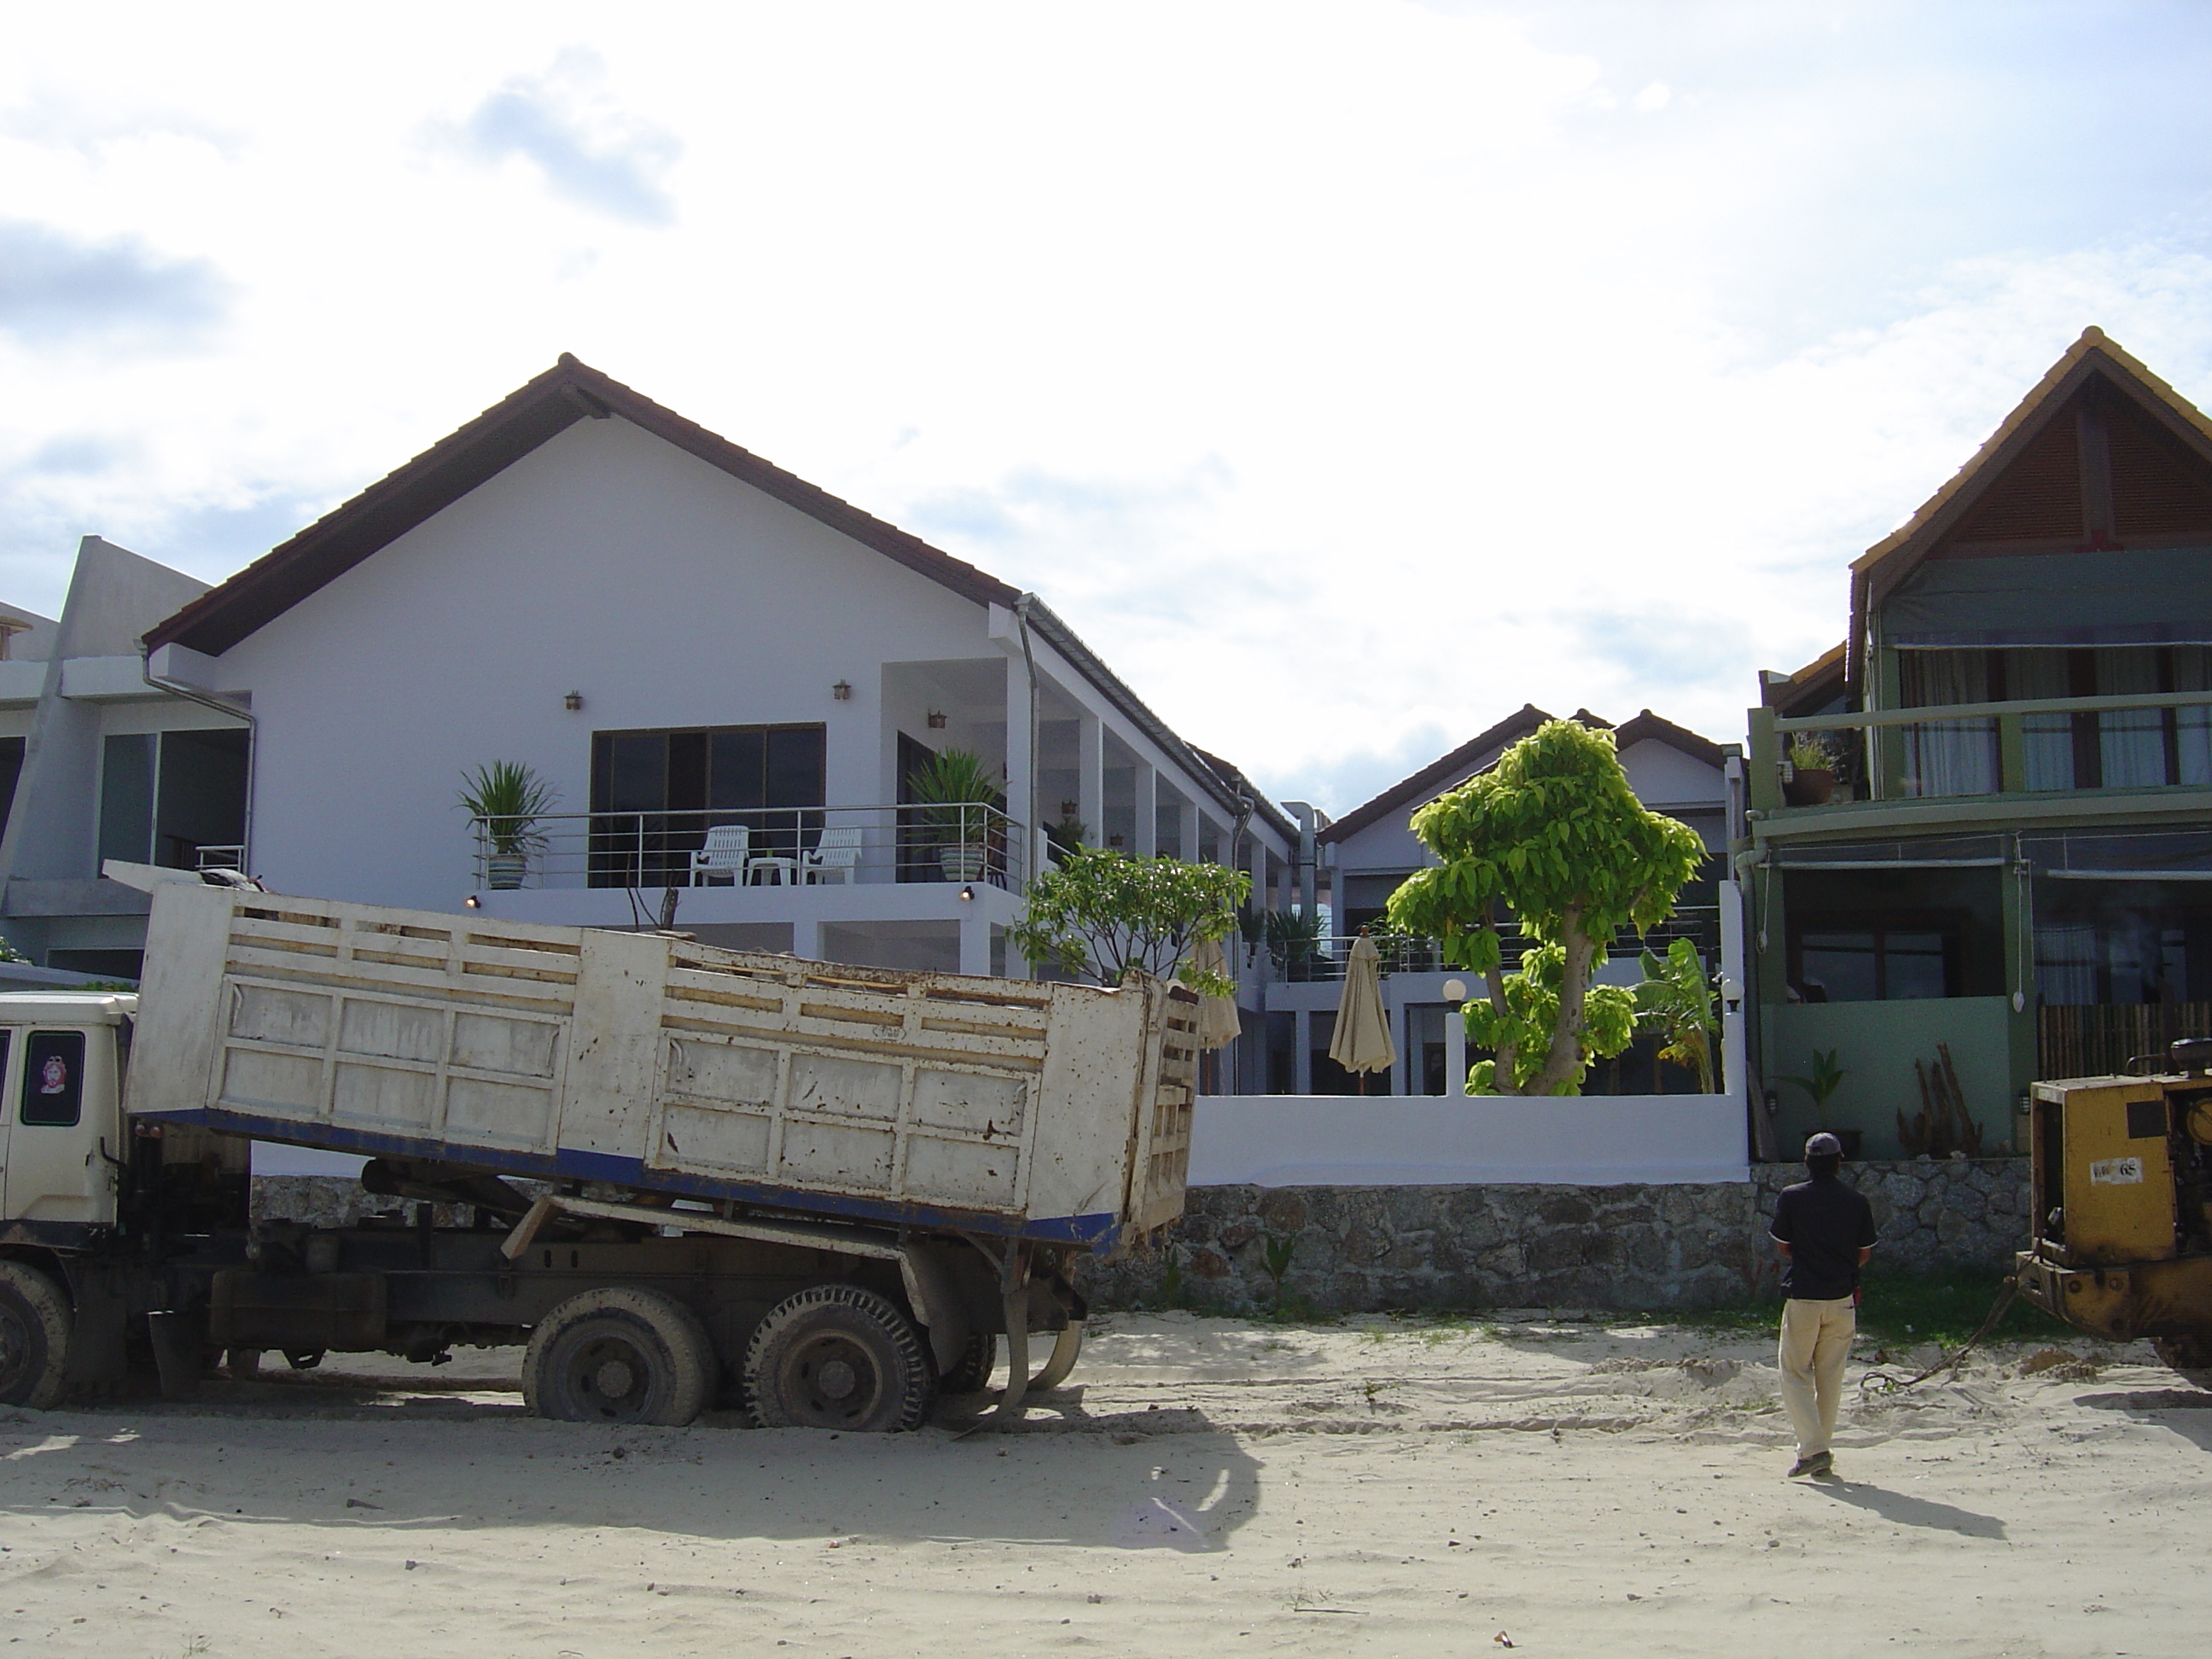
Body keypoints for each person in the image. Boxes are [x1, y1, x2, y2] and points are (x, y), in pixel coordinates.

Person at [1768, 1131, 1877, 1477]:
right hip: (1842, 1298)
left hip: (1803, 1296)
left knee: (1795, 1372)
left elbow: (1784, 1246)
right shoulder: (1857, 1201)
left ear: (1806, 1163)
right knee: (1831, 1376)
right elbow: (1865, 1253)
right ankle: (1818, 1450)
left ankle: (1814, 1449)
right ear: (1839, 1162)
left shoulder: (1792, 1198)